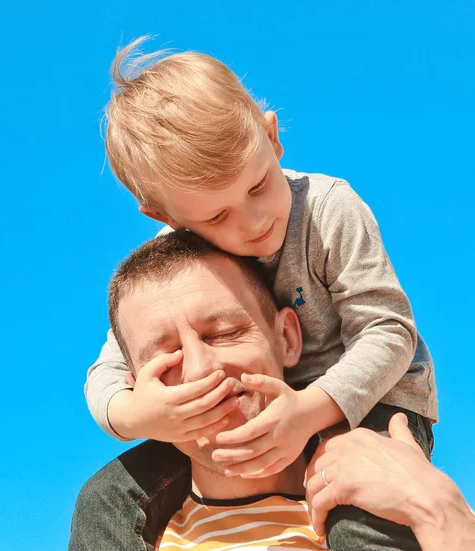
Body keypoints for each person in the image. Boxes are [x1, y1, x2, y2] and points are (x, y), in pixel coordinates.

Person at [85, 35, 439, 547]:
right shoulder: (177, 261)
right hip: (257, 411)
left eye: (256, 186)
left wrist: (309, 411)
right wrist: (141, 414)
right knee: (105, 500)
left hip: (371, 404)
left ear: (272, 138)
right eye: (217, 215)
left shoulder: (329, 208)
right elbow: (107, 372)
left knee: (360, 505)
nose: (253, 222)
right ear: (165, 216)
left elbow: (388, 332)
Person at [70, 232, 475, 551]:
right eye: (167, 357)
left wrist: (436, 510)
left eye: (224, 333)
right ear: (133, 387)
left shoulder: (411, 508)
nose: (202, 368)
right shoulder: (120, 526)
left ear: (287, 339)